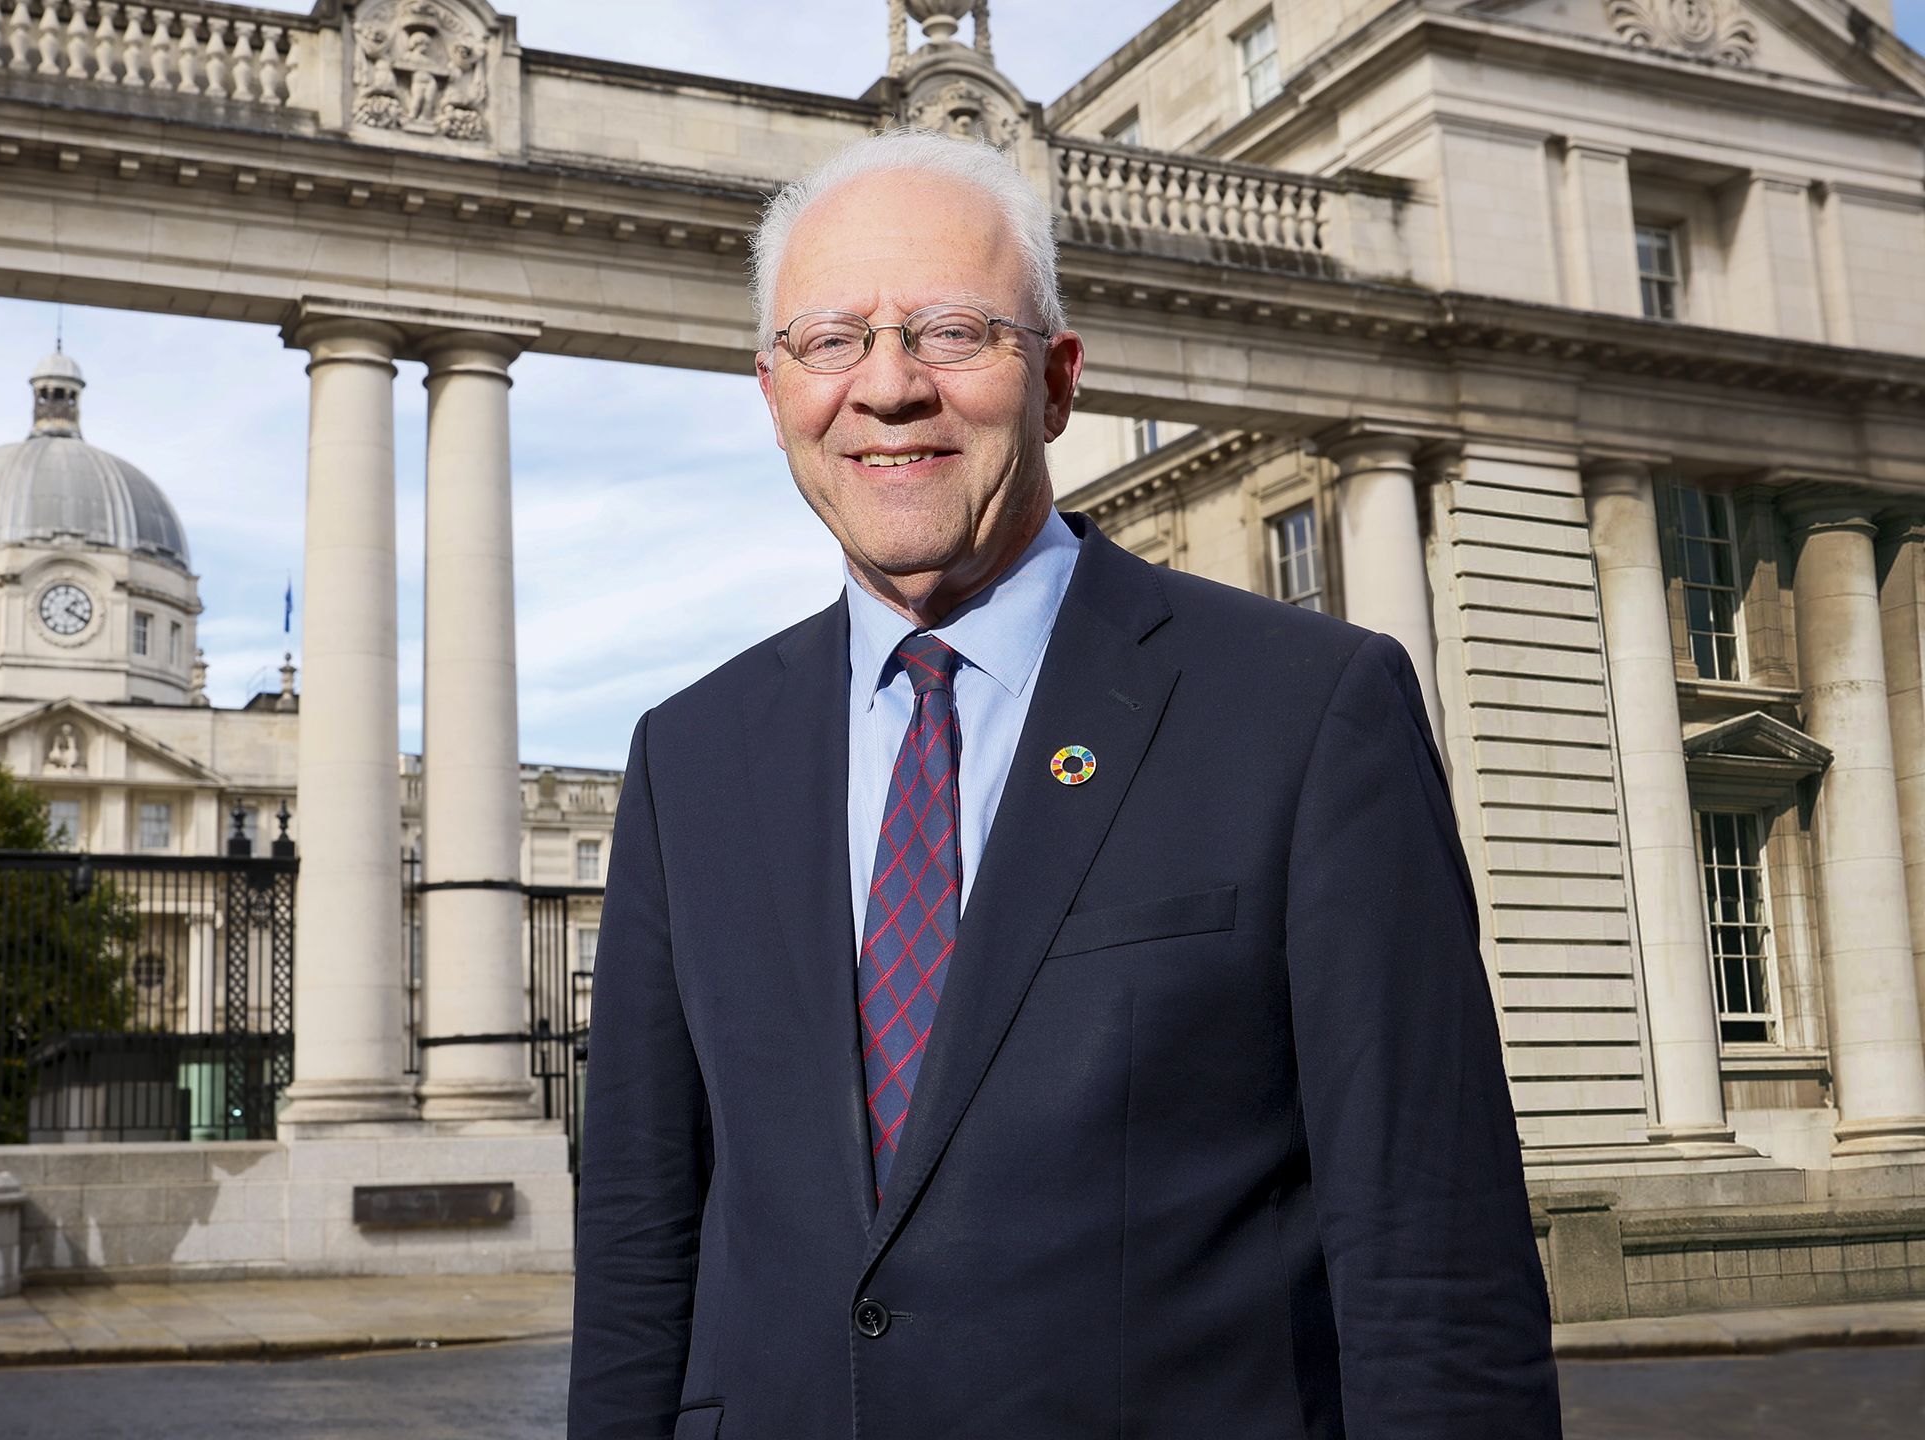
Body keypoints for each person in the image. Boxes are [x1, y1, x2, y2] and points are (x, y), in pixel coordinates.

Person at [567, 130, 1561, 1439]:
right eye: (831, 343)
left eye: (952, 332)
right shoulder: (688, 754)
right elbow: (641, 1260)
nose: (889, 389)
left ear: (1058, 380)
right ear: (773, 392)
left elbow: (1434, 1275)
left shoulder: (1310, 713)